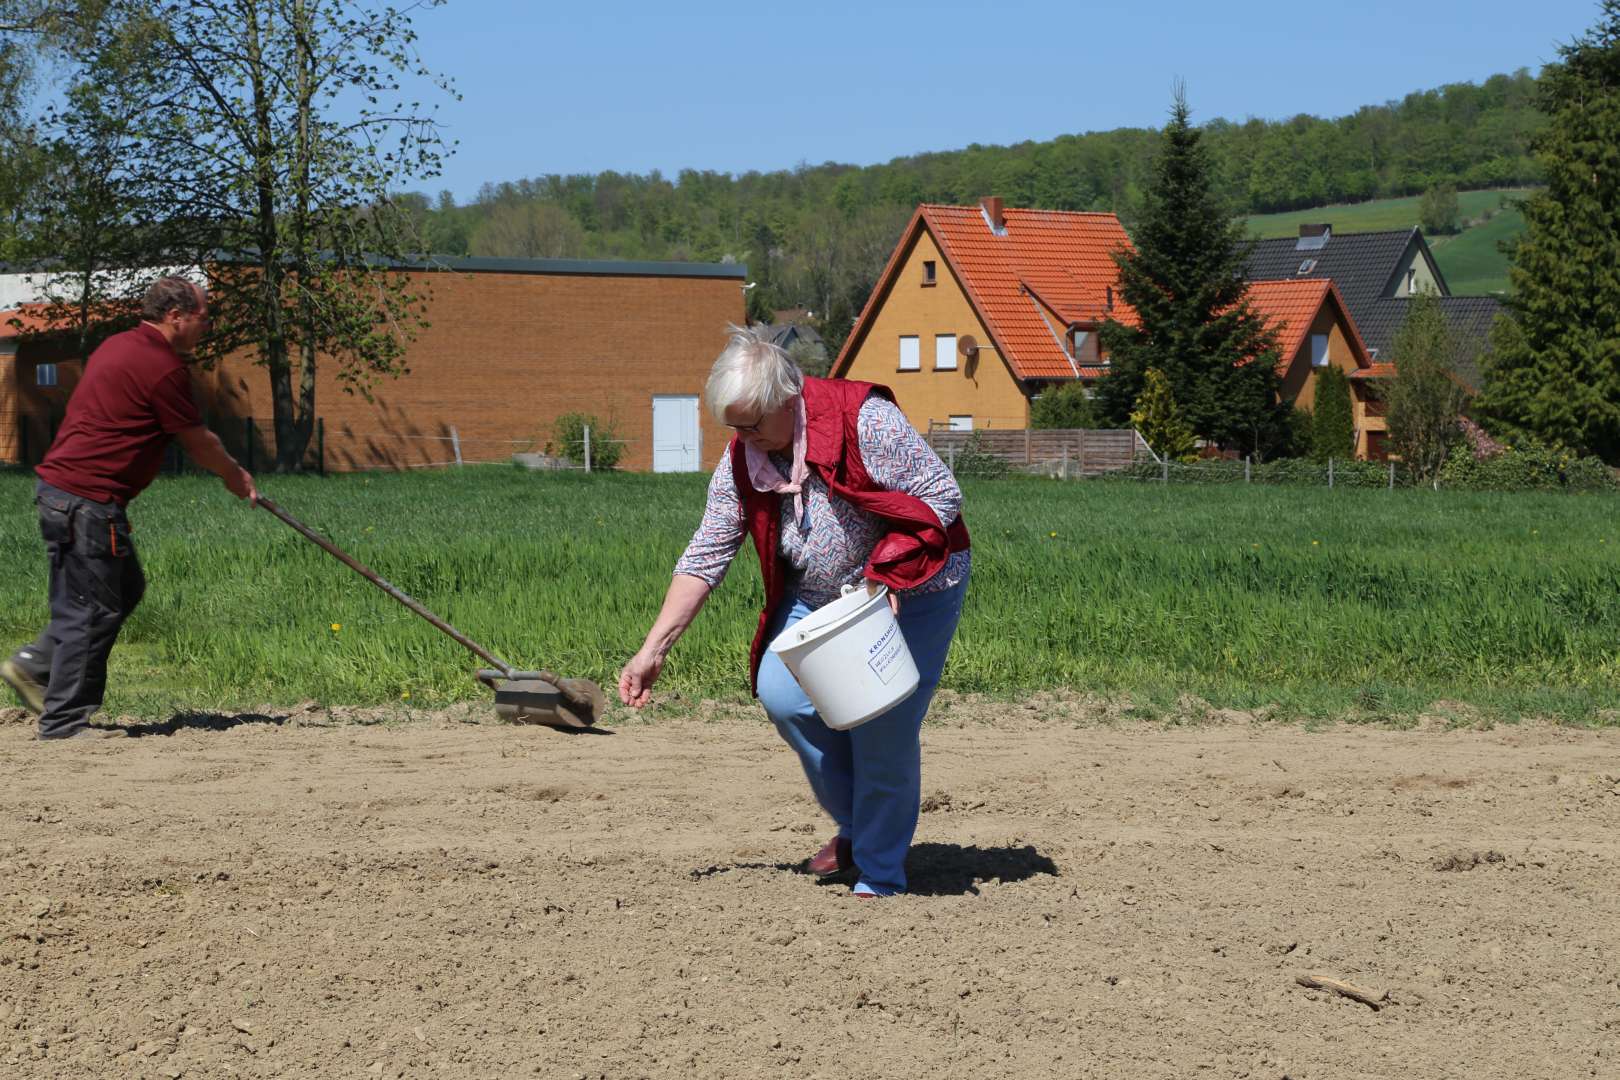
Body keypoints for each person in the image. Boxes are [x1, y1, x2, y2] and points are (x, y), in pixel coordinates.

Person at [619, 324, 970, 898]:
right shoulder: (744, 459)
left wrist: (886, 572)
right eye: (733, 426)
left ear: (788, 398)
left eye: (753, 423)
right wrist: (652, 649)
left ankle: (880, 875)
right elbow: (706, 553)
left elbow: (941, 495)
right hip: (819, 595)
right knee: (782, 693)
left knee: (881, 723)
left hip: (915, 586)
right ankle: (859, 825)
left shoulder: (864, 419)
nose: (743, 437)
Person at [0, 277, 258, 741]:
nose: (208, 326)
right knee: (94, 608)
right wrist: (235, 477)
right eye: (204, 317)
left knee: (120, 587)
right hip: (86, 501)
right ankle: (64, 723)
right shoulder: (159, 366)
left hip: (66, 494)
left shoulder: (119, 345)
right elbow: (198, 441)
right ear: (176, 316)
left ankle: (34, 665)